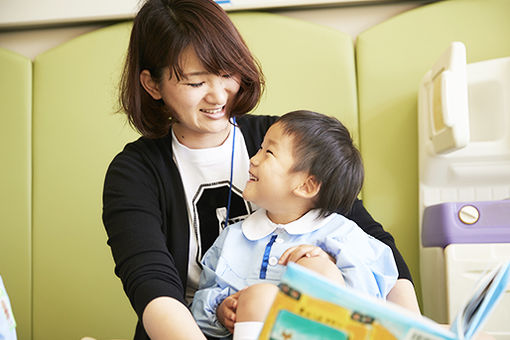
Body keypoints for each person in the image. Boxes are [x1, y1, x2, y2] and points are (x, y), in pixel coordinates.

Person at [102, 0, 419, 339]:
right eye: (196, 83)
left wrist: (412, 329)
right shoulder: (134, 173)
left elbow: (371, 241)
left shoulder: (280, 139)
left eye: (227, 75)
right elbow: (154, 290)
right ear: (152, 85)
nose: (218, 96)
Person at [191, 110, 398, 339]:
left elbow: (372, 300)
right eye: (260, 148)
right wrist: (220, 310)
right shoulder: (233, 237)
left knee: (315, 268)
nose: (253, 159)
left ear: (306, 186)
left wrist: (330, 262)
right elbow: (199, 309)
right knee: (258, 297)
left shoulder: (342, 236)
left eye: (268, 152)